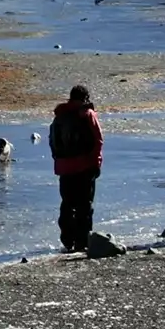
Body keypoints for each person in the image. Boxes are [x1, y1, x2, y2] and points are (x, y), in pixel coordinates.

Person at [49, 83, 104, 252]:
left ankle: (67, 239)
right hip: (84, 166)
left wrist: (59, 162)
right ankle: (82, 241)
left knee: (67, 203)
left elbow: (52, 142)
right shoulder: (87, 114)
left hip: (65, 167)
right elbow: (98, 140)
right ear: (85, 98)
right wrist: (96, 163)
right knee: (84, 205)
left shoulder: (60, 116)